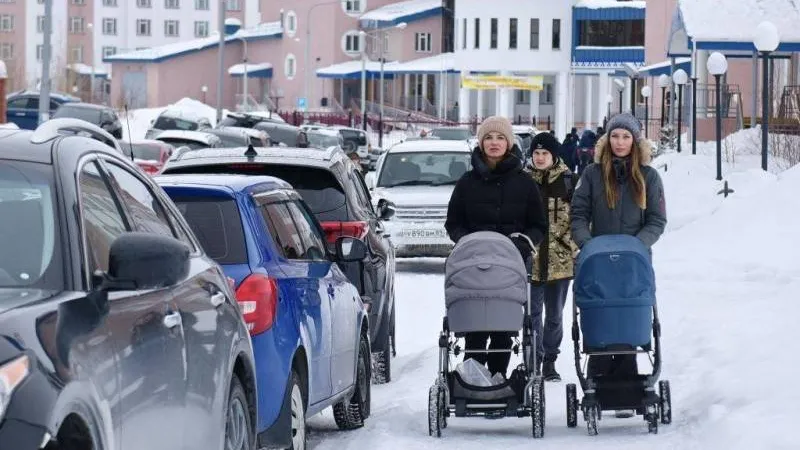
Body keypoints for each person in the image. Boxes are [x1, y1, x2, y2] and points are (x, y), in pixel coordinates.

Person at [570, 112, 667, 415]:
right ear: (607, 140)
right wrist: (590, 245)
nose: (620, 142)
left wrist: (635, 246)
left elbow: (656, 220)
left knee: (627, 323)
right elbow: (578, 215)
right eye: (615, 136)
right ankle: (597, 381)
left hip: (632, 263)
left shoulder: (649, 177)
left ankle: (628, 384)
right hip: (598, 263)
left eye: (626, 137)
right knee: (600, 319)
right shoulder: (592, 174)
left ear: (635, 141)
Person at [445, 116, 548, 379]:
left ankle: (499, 375)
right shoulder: (467, 182)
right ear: (481, 143)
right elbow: (453, 223)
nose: (494, 143)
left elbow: (538, 225)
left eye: (500, 137)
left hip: (510, 263)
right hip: (474, 263)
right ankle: (473, 377)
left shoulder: (525, 183)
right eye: (488, 137)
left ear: (509, 143)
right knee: (475, 323)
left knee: (505, 325)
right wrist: (467, 241)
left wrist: (524, 244)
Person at [526, 132, 579, 381]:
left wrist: (573, 247)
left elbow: (579, 218)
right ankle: (533, 358)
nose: (539, 158)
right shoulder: (524, 181)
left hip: (560, 260)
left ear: (553, 155)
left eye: (544, 153)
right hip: (532, 259)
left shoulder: (569, 181)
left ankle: (550, 359)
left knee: (555, 314)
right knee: (532, 312)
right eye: (536, 153)